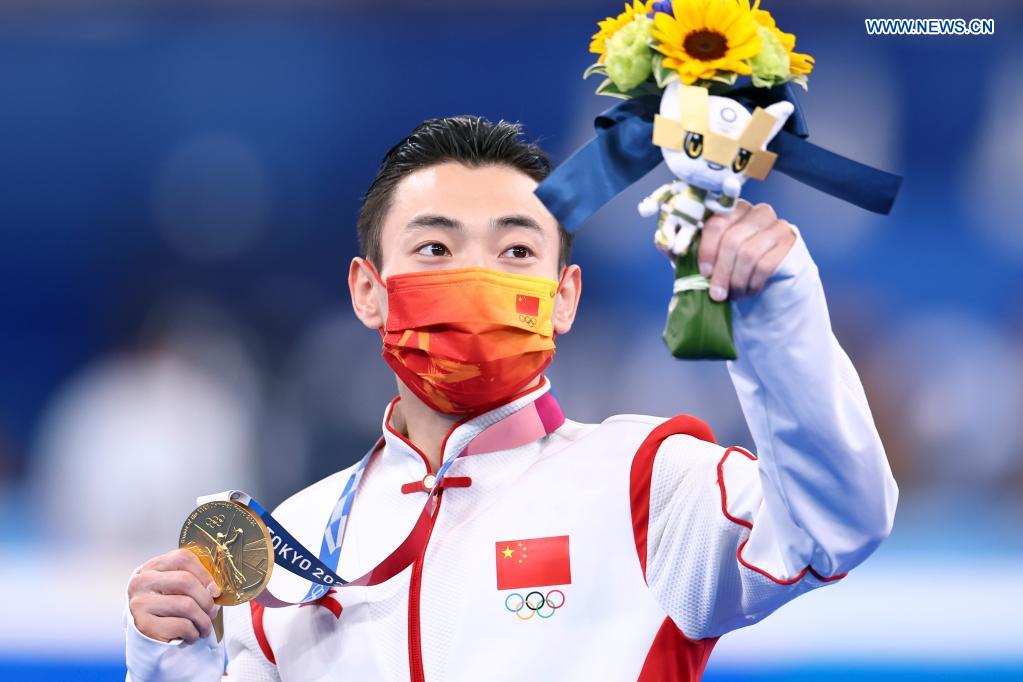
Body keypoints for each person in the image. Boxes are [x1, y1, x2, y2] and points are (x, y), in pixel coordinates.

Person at [124, 116, 897, 681]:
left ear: (564, 298)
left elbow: (837, 523)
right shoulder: (292, 541)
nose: (477, 277)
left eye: (516, 250)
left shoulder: (647, 482)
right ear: (368, 291)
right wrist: (170, 660)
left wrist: (778, 323)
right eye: (434, 248)